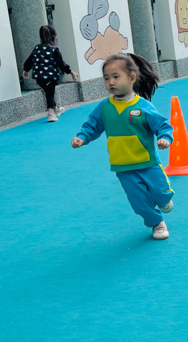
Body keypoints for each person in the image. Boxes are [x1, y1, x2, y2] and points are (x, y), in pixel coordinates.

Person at [71, 53, 177, 240]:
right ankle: (157, 223)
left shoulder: (142, 106)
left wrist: (164, 138)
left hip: (148, 162)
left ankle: (163, 199)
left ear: (132, 78)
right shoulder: (104, 107)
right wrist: (82, 137)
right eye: (106, 78)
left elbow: (162, 125)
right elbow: (92, 126)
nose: (110, 82)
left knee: (161, 193)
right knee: (138, 202)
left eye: (116, 76)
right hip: (122, 165)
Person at [22, 25, 78, 122]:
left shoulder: (37, 48)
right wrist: (70, 72)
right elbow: (61, 64)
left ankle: (56, 108)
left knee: (48, 92)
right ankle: (51, 114)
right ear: (54, 37)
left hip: (39, 78)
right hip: (50, 77)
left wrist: (26, 70)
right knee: (50, 93)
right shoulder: (54, 50)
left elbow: (30, 60)